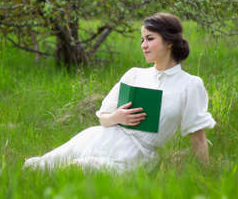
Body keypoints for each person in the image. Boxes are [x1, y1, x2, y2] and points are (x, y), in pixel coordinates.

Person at [24, 13, 216, 172]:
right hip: (101, 138)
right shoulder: (134, 75)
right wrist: (118, 116)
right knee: (37, 167)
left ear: (169, 42)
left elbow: (198, 138)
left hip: (137, 155)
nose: (143, 45)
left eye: (150, 39)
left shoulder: (190, 85)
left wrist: (207, 176)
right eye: (142, 40)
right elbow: (103, 118)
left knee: (79, 168)